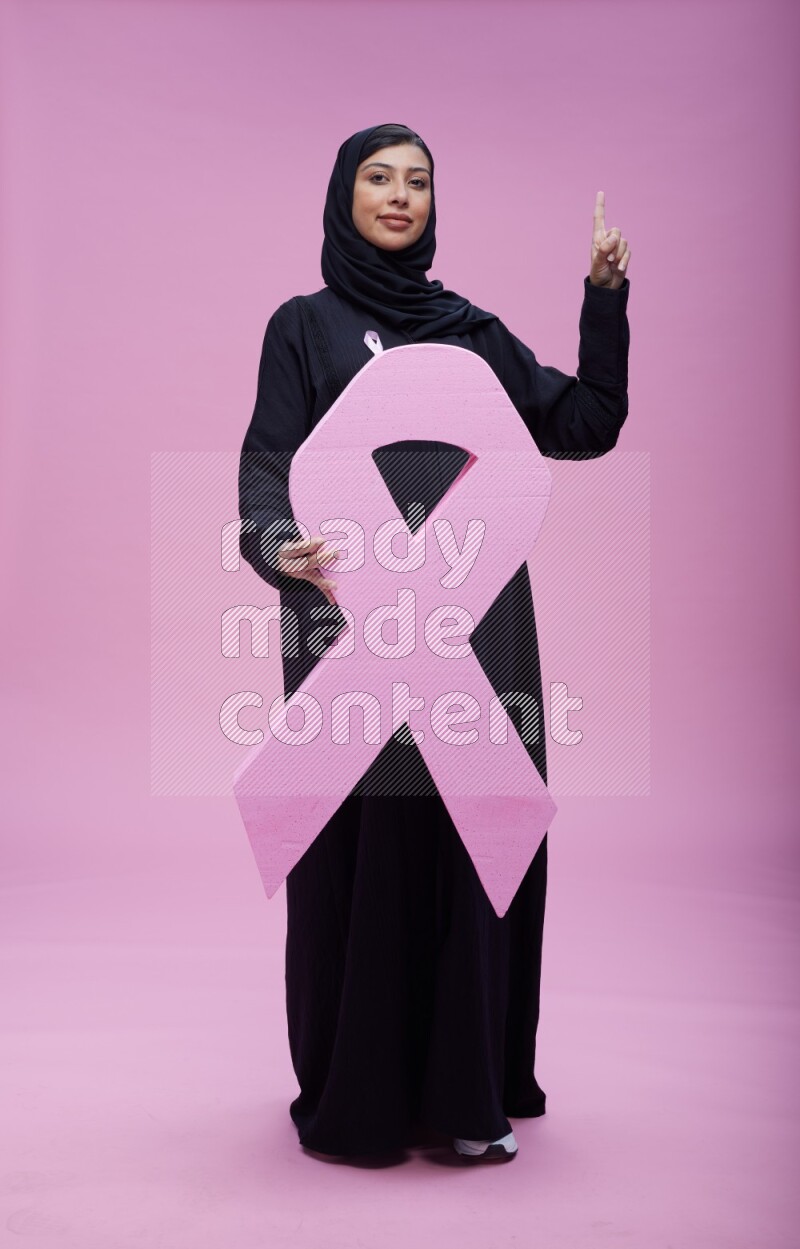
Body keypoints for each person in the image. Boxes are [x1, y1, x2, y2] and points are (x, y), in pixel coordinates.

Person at [238, 122, 631, 1163]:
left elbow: (584, 421)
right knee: (360, 852)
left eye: (417, 180)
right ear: (344, 194)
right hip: (349, 626)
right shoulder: (302, 327)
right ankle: (357, 1098)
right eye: (378, 178)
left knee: (473, 838)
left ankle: (467, 1095)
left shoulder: (468, 332)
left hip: (473, 634)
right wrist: (278, 545)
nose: (399, 195)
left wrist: (602, 298)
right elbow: (266, 465)